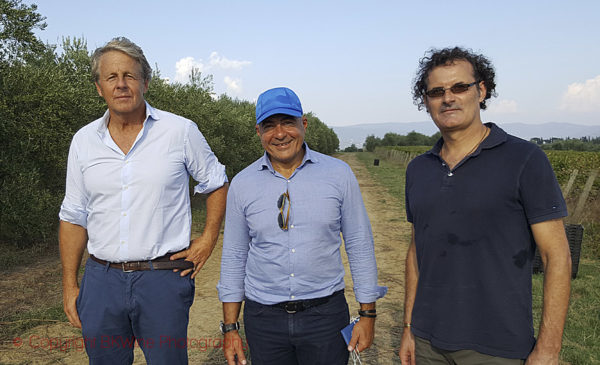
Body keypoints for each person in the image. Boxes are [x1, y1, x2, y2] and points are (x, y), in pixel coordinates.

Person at [59, 37, 228, 364]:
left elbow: (216, 181)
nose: (121, 85)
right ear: (99, 87)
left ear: (145, 82)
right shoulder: (83, 142)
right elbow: (73, 215)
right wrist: (70, 284)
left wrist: (208, 239)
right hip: (100, 281)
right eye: (111, 77)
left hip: (162, 279)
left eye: (130, 76)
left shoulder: (179, 132)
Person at [398, 47, 572, 365]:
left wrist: (548, 348)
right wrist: (409, 327)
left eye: (459, 87)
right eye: (436, 92)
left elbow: (556, 256)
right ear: (426, 101)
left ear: (481, 90)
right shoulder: (418, 169)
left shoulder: (525, 160)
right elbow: (416, 250)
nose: (447, 98)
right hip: (427, 343)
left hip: (496, 347)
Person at [217, 87, 387, 365]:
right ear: (258, 131)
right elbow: (234, 255)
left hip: (326, 317)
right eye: (269, 126)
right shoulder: (242, 184)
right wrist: (231, 328)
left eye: (288, 122)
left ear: (303, 124)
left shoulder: (338, 174)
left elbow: (359, 242)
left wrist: (368, 315)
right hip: (263, 320)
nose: (280, 134)